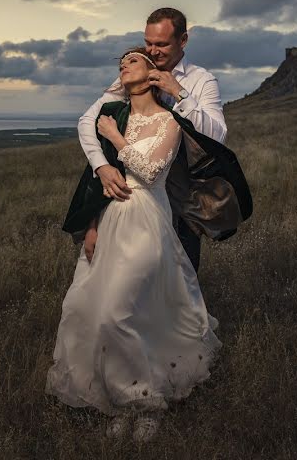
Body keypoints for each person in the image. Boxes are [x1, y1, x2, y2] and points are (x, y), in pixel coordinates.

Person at [46, 48, 226, 443]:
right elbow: (100, 180)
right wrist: (91, 226)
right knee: (85, 306)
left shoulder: (169, 121)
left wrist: (112, 137)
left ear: (153, 74)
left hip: (147, 220)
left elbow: (150, 171)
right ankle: (118, 396)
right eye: (121, 62)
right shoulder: (116, 113)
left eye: (133, 60)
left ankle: (145, 402)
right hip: (109, 221)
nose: (124, 64)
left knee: (117, 312)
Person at [77, 7, 226, 272]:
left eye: (161, 44)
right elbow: (89, 120)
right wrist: (101, 166)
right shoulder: (136, 72)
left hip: (181, 205)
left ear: (183, 41)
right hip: (127, 201)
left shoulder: (201, 81)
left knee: (179, 282)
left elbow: (217, 137)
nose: (153, 51)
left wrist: (179, 93)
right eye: (148, 43)